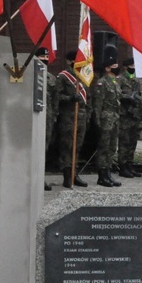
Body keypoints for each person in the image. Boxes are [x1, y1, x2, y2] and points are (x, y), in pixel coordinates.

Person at [55, 50, 88, 188]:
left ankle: (75, 173)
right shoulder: (63, 77)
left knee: (77, 147)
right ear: (69, 61)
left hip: (81, 116)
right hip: (68, 117)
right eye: (75, 60)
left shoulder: (83, 77)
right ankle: (67, 176)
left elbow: (87, 99)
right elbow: (56, 96)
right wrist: (69, 98)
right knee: (68, 147)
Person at [92, 49, 122, 188]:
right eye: (114, 66)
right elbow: (98, 103)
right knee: (104, 148)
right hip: (105, 118)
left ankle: (108, 173)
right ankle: (102, 175)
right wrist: (97, 120)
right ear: (107, 68)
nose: (117, 68)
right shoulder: (102, 82)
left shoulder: (115, 82)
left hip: (114, 118)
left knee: (111, 148)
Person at [117, 58, 142, 179]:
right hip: (124, 115)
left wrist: (138, 101)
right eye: (131, 65)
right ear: (126, 67)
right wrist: (127, 97)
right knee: (124, 142)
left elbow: (139, 95)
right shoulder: (120, 79)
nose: (133, 67)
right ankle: (122, 166)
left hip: (134, 115)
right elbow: (117, 93)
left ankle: (129, 165)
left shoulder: (136, 80)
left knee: (133, 142)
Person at [39, 47, 58, 191]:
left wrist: (55, 116)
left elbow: (55, 100)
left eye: (46, 58)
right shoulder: (30, 75)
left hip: (48, 119)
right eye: (41, 58)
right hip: (34, 119)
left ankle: (41, 177)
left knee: (44, 149)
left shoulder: (51, 78)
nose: (44, 60)